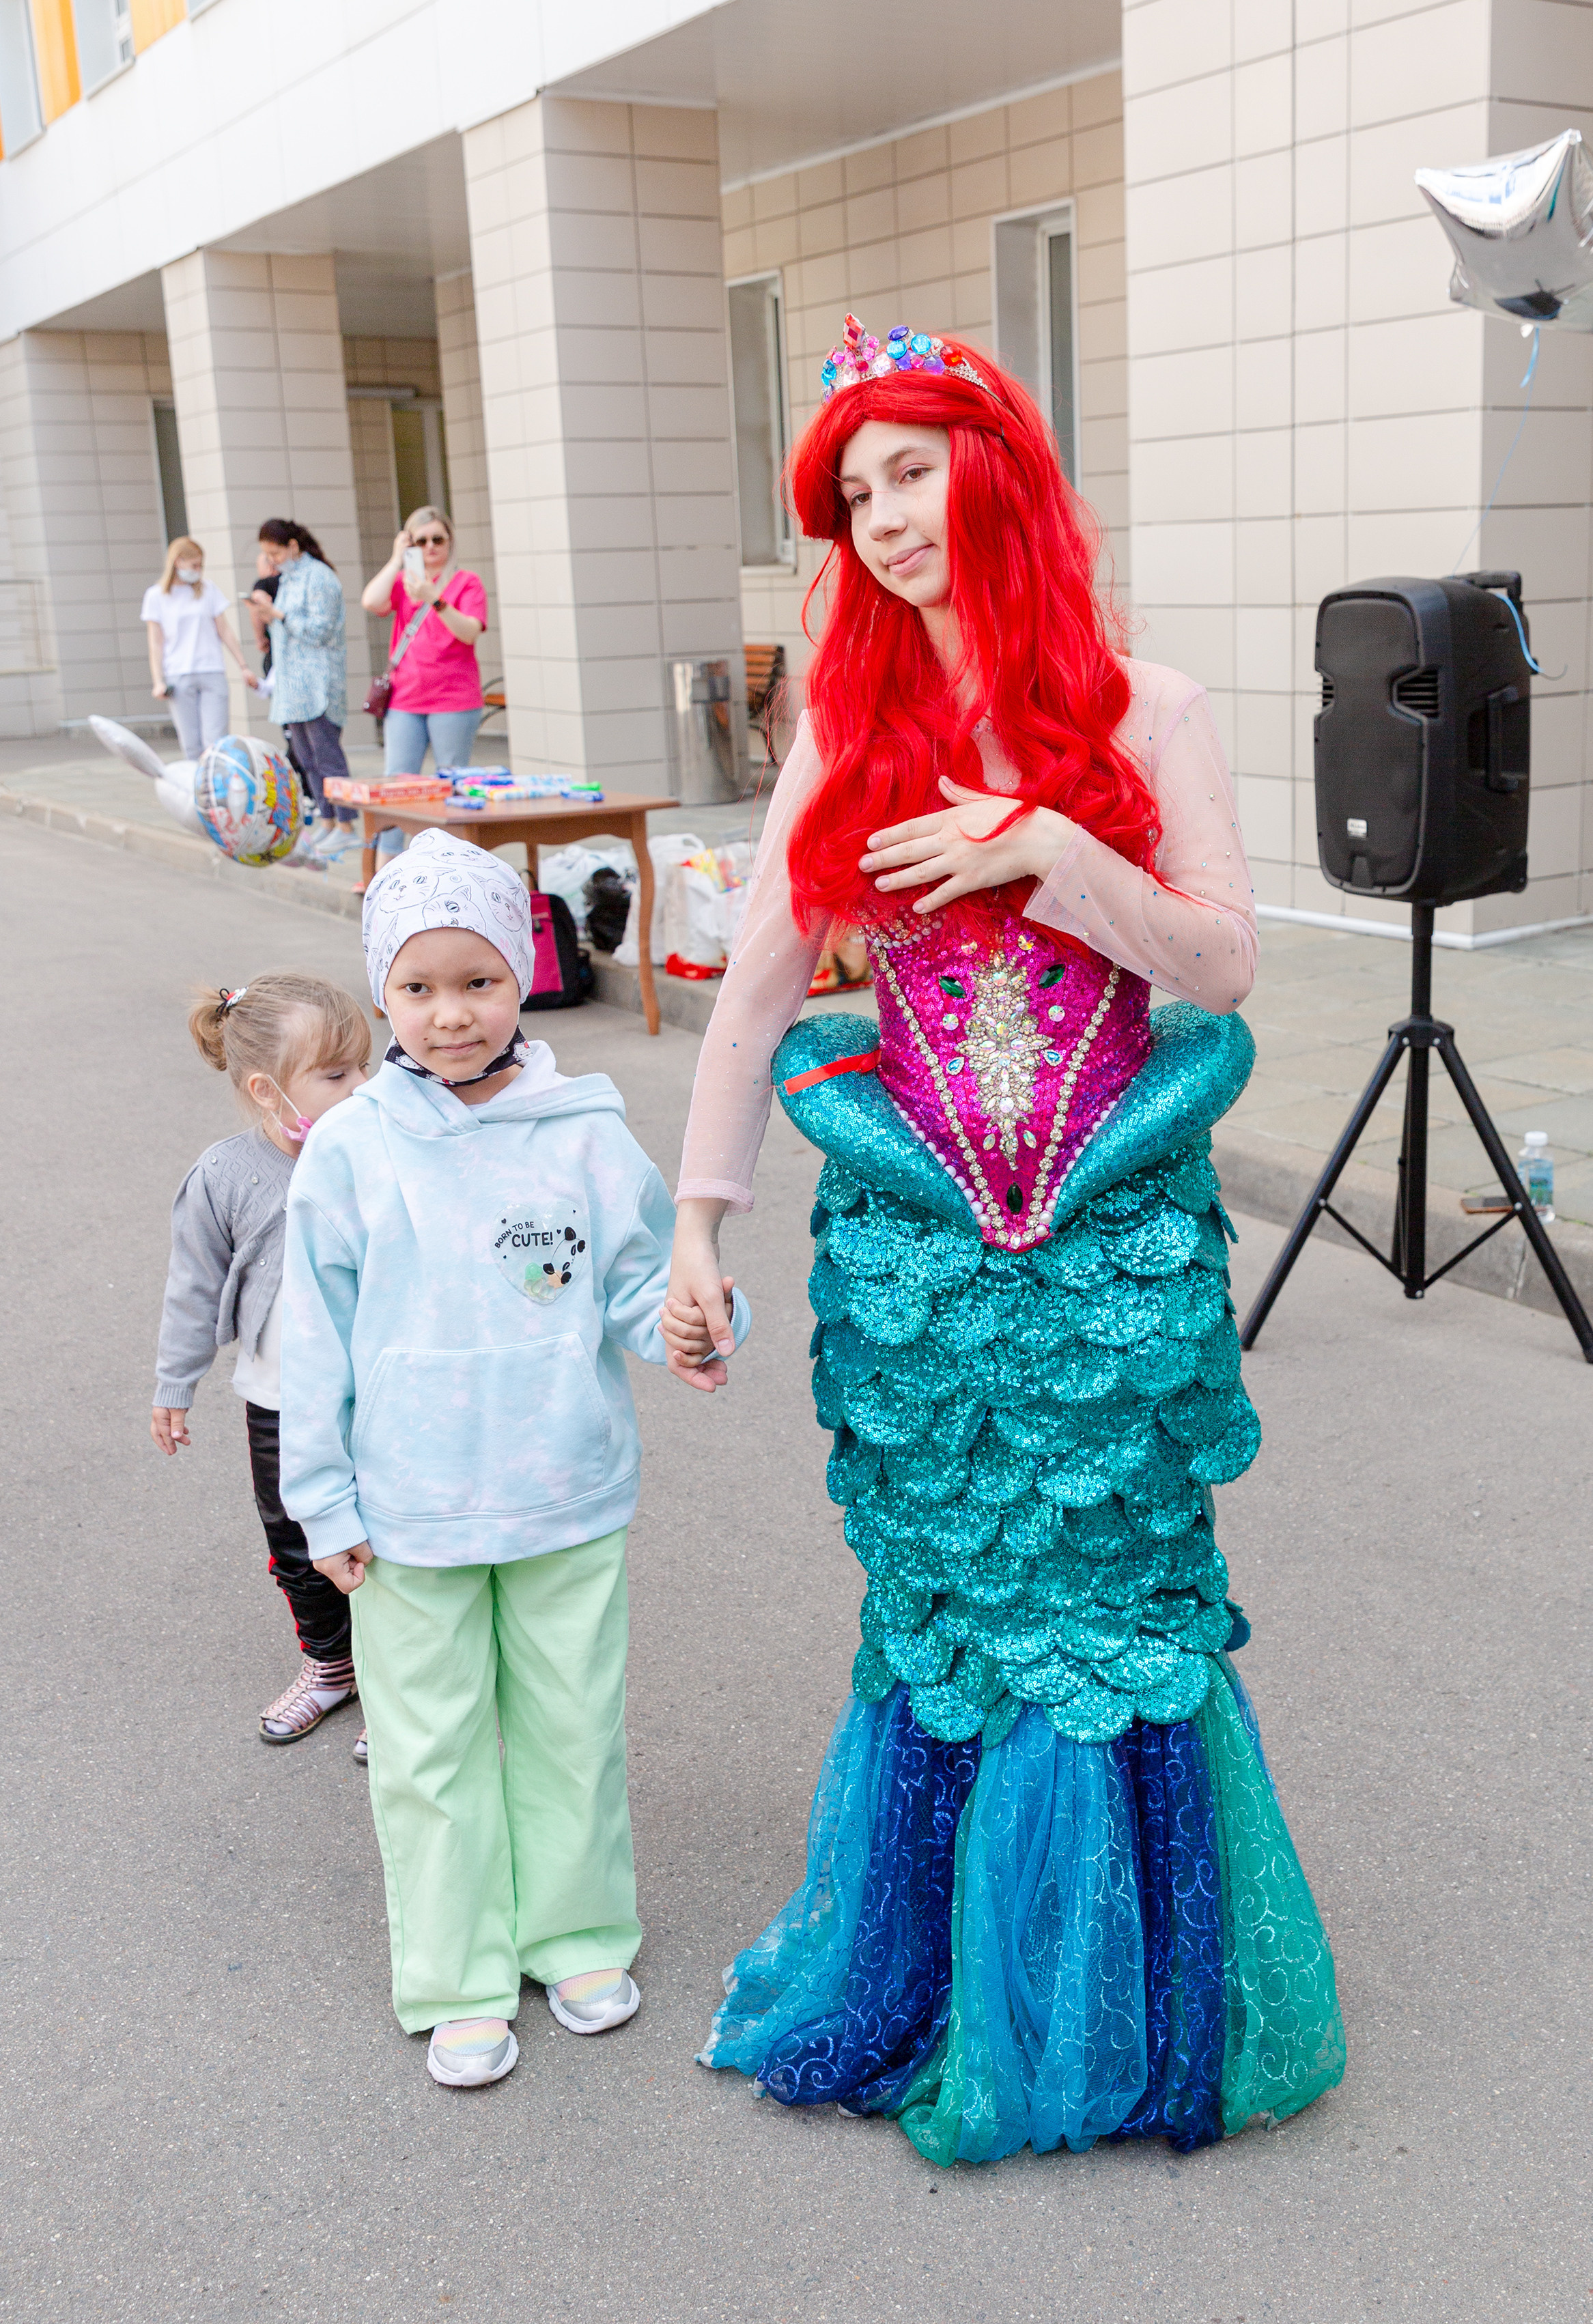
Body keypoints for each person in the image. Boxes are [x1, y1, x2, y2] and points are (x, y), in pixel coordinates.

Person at [662, 316, 1345, 2166]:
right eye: (852, 494)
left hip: (1112, 1259)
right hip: (920, 1272)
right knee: (955, 1608)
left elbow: (1220, 966)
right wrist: (696, 1227)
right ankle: (963, 1986)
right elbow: (751, 1002)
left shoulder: (1150, 706)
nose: (885, 517)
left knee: (1107, 1610)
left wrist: (1050, 848)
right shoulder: (846, 731)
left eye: (911, 470)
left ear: (999, 474)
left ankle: (1117, 2013)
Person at [279, 829, 749, 2089]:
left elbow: (640, 1281)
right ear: (382, 991)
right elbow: (309, 1336)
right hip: (406, 1513)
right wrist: (321, 1500)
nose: (451, 1015)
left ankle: (578, 1936)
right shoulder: (352, 1148)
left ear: (525, 973)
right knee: (429, 1756)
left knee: (571, 1731)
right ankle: (457, 1975)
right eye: (419, 987)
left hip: (563, 1493)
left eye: (478, 981)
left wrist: (690, 1322)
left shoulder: (583, 1130)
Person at [152, 975, 373, 1753]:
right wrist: (174, 1383)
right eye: (336, 1074)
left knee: (387, 1537)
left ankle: (398, 1685)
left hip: (381, 1395)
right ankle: (332, 1665)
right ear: (266, 1090)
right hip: (280, 1399)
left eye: (365, 1065)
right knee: (298, 1543)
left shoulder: (383, 1152)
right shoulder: (226, 1175)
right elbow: (192, 1285)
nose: (362, 1086)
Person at [249, 519, 357, 863]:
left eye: (276, 553)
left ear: (293, 546)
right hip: (293, 685)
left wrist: (278, 615)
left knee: (328, 757)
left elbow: (320, 630)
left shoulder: (320, 577)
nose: (273, 561)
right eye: (267, 555)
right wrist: (268, 616)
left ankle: (347, 825)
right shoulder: (288, 579)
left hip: (318, 683)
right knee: (307, 759)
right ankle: (328, 821)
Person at [361, 506, 488, 775]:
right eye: (421, 541)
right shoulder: (405, 582)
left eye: (437, 539)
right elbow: (371, 601)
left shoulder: (467, 582)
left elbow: (469, 632)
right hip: (405, 698)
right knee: (398, 780)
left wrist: (434, 598)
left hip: (453, 698)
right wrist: (396, 560)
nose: (430, 546)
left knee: (450, 780)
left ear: (450, 541)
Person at [141, 537, 258, 758]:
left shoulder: (208, 590)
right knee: (191, 744)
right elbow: (156, 643)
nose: (198, 571)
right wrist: (158, 681)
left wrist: (243, 665)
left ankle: (217, 778)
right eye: (194, 565)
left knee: (216, 742)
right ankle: (196, 780)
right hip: (178, 674)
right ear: (178, 561)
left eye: (200, 566)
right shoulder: (156, 596)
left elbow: (224, 630)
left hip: (212, 670)